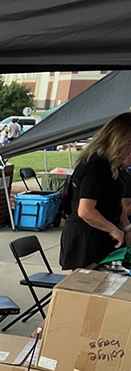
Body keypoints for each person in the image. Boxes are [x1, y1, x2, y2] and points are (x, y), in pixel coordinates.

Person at [59, 112, 131, 270]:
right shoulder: (95, 165)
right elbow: (85, 211)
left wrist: (126, 228)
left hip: (102, 236)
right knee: (87, 288)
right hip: (86, 238)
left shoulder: (112, 165)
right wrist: (113, 229)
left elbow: (115, 202)